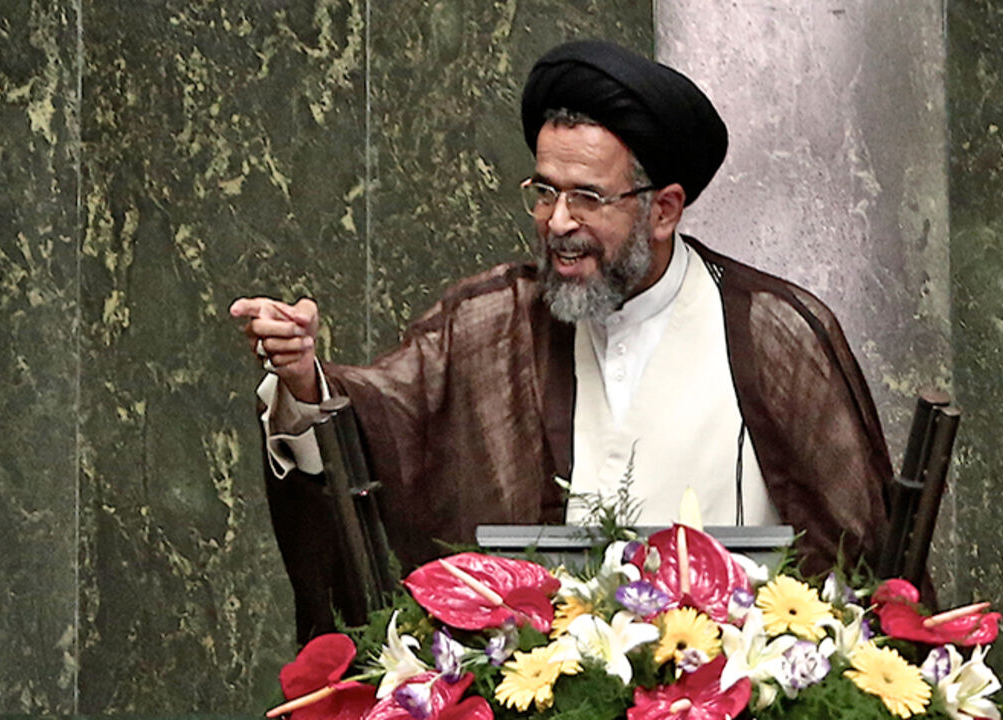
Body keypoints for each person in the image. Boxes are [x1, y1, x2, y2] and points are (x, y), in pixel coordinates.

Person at [232, 40, 893, 642]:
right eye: (544, 192)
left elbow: (858, 561)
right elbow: (385, 420)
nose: (557, 222)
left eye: (586, 197)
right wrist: (306, 381)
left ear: (662, 209)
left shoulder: (771, 330)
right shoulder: (491, 318)